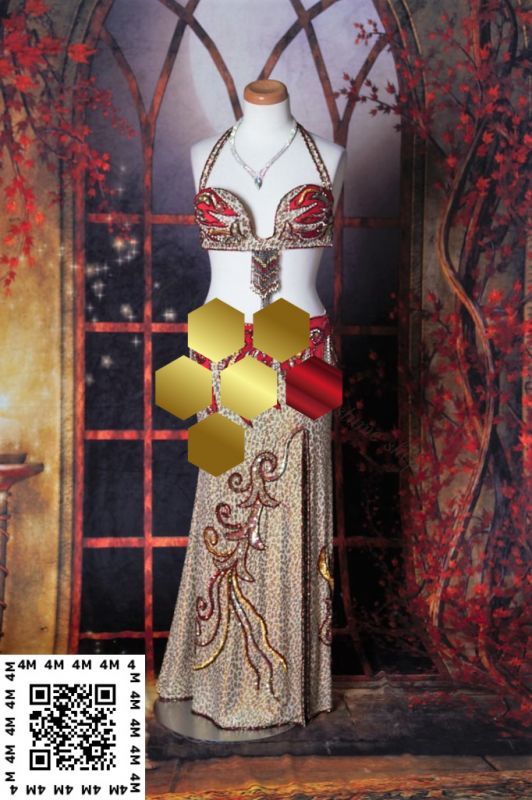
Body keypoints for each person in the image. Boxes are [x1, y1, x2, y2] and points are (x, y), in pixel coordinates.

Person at [155, 79, 346, 742]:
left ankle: (289, 682)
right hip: (218, 344)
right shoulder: (204, 153)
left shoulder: (329, 155)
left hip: (308, 350)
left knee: (296, 505)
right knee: (224, 510)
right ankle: (215, 672)